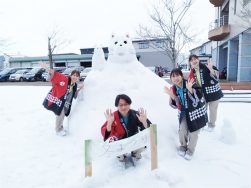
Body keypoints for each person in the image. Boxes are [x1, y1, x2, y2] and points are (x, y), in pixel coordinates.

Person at [164, 68, 208, 160]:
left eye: (177, 75)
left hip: (196, 111)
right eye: (173, 76)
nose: (175, 78)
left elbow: (200, 96)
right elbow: (175, 105)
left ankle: (190, 150)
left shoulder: (190, 82)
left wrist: (191, 90)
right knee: (182, 130)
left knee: (194, 133)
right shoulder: (173, 88)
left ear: (181, 76)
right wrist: (171, 95)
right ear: (171, 78)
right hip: (184, 112)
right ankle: (183, 146)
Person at [101, 94, 152, 161]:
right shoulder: (113, 117)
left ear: (129, 104)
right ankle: (121, 156)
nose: (123, 107)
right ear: (117, 106)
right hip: (120, 143)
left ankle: (135, 153)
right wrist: (109, 123)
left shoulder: (135, 114)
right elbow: (106, 136)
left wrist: (144, 122)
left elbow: (150, 131)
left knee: (142, 141)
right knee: (114, 146)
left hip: (133, 141)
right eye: (121, 105)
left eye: (126, 104)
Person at [41, 63, 84, 136]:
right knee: (60, 114)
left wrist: (79, 89)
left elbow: (74, 95)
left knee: (62, 115)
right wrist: (47, 69)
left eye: (77, 76)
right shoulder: (65, 79)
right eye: (74, 75)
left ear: (78, 78)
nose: (75, 77)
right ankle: (58, 130)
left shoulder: (74, 85)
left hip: (65, 102)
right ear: (71, 75)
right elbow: (54, 75)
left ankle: (61, 127)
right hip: (58, 99)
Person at [188, 54, 223, 131]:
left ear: (198, 59)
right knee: (203, 109)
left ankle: (212, 126)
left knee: (213, 110)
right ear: (190, 62)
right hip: (203, 93)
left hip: (213, 92)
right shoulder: (193, 71)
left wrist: (211, 69)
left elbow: (217, 76)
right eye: (192, 60)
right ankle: (203, 124)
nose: (194, 61)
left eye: (195, 59)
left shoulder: (205, 66)